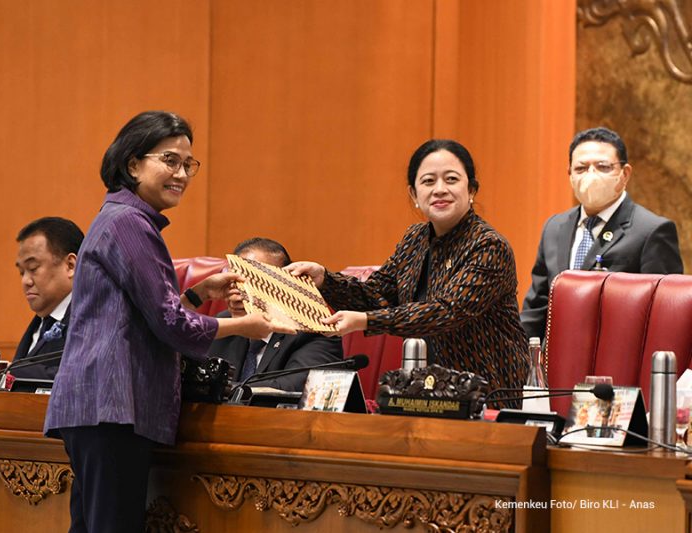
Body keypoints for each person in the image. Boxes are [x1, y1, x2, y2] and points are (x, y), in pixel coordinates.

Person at [43, 111, 288, 533]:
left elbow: (136, 312)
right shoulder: (130, 223)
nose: (181, 174)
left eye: (187, 164)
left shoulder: (120, 218)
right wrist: (244, 326)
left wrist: (197, 294)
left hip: (98, 408)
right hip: (113, 406)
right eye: (169, 161)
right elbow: (171, 325)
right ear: (133, 163)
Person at [286, 139, 529, 395]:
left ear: (471, 190)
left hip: (488, 393)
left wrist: (366, 321)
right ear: (414, 194)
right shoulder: (415, 239)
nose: (439, 189)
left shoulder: (489, 246)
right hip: (427, 392)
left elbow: (446, 312)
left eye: (451, 179)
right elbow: (375, 295)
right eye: (428, 181)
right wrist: (324, 279)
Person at [520, 127, 683, 341]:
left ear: (624, 174)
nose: (591, 175)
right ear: (570, 175)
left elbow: (668, 316)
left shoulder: (651, 231)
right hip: (558, 360)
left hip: (618, 361)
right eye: (581, 168)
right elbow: (538, 307)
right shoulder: (554, 227)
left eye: (603, 167)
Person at [208, 237, 344, 391]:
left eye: (253, 283)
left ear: (284, 287)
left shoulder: (314, 331)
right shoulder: (224, 324)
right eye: (232, 282)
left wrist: (217, 390)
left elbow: (292, 388)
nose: (237, 295)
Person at [12, 217, 83, 380]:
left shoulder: (91, 319)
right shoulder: (41, 321)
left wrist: (14, 373)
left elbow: (84, 379)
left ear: (70, 265)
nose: (25, 281)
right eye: (21, 272)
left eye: (33, 268)